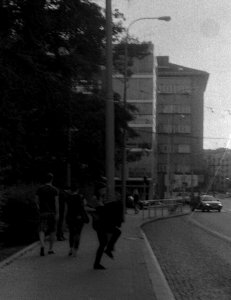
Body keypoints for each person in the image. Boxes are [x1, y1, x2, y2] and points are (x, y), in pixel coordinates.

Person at [90, 183, 123, 270]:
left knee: (103, 243)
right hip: (99, 224)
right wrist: (97, 209)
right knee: (114, 234)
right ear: (99, 190)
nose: (104, 191)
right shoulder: (95, 198)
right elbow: (92, 209)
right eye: (103, 189)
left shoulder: (102, 197)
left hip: (103, 223)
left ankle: (97, 263)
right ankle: (107, 251)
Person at [36, 173, 59, 256]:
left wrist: (39, 209)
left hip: (42, 212)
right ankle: (50, 249)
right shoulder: (55, 190)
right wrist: (57, 213)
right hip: (52, 213)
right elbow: (56, 203)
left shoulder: (39, 189)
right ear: (52, 179)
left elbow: (37, 202)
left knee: (41, 230)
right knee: (52, 231)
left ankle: (42, 245)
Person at [65, 184, 89, 257]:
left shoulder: (68, 197)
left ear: (71, 190)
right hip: (79, 217)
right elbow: (84, 205)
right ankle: (75, 249)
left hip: (70, 217)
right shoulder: (79, 197)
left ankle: (71, 248)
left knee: (71, 233)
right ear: (77, 189)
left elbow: (66, 208)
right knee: (78, 233)